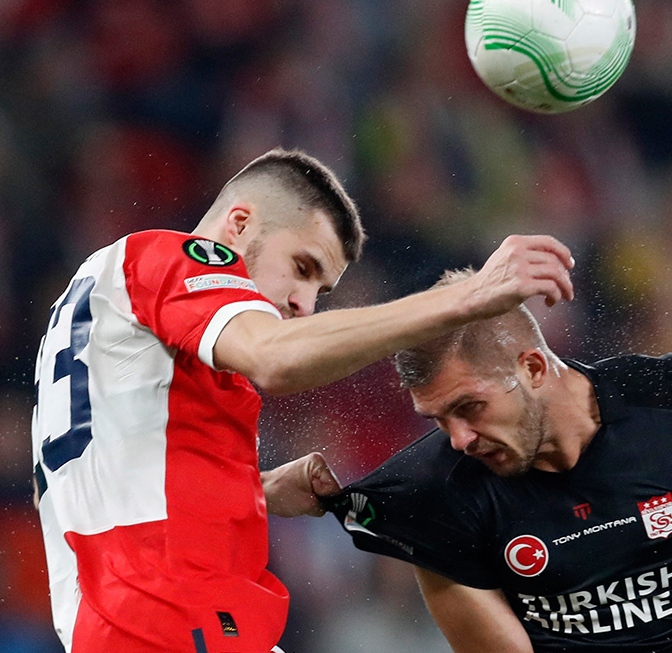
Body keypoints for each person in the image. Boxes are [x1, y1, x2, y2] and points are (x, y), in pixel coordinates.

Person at [31, 149, 575, 653]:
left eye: (321, 289)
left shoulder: (94, 299)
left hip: (120, 621)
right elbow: (274, 358)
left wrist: (252, 490)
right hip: (174, 614)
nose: (304, 304)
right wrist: (467, 297)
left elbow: (100, 480)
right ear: (239, 225)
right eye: (302, 267)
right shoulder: (175, 259)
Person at [316, 269, 672, 653]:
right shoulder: (436, 495)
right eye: (437, 419)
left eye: (469, 407)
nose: (458, 439)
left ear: (533, 368)